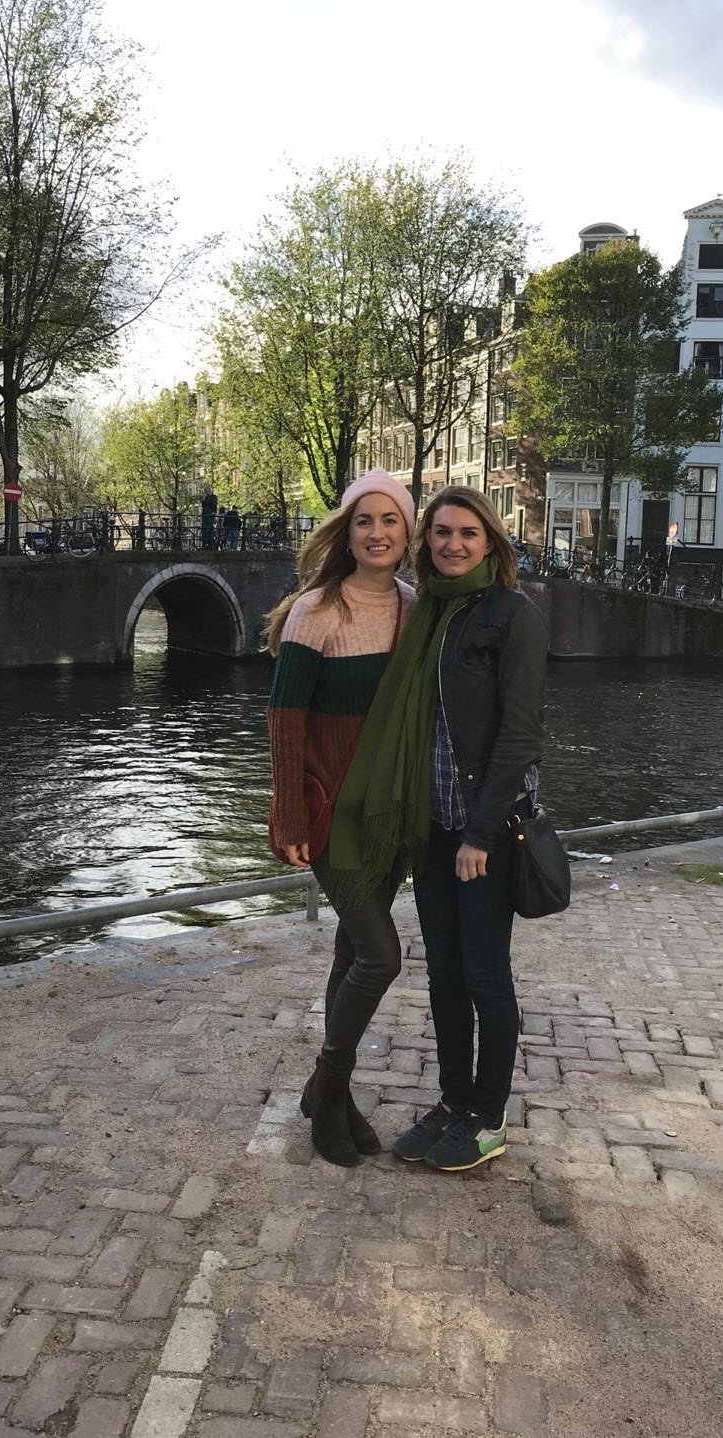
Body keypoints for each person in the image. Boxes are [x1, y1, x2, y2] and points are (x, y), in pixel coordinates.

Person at [349, 485, 543, 1172]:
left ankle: (487, 1118)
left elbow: (518, 735)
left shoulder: (511, 615)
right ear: (425, 542)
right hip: (431, 827)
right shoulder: (426, 612)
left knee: (487, 976)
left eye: (467, 533)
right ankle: (453, 1102)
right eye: (440, 533)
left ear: (490, 541)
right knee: (444, 977)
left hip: (481, 832)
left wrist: (481, 835)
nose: (452, 544)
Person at [265, 470, 416, 1167]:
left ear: (407, 532)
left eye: (391, 520)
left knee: (353, 953)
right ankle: (328, 1089)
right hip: (333, 816)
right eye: (365, 520)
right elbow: (285, 717)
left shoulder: (416, 610)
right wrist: (290, 812)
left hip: (390, 816)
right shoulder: (318, 610)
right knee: (382, 955)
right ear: (346, 532)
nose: (378, 532)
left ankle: (330, 1091)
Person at [200, 484, 218, 549]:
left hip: (211, 515)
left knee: (210, 529)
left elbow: (212, 504)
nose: (206, 492)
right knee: (204, 529)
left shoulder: (214, 497)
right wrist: (203, 501)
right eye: (205, 491)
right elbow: (204, 506)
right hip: (205, 515)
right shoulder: (206, 497)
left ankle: (211, 544)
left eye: (207, 491)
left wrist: (205, 501)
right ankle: (205, 544)